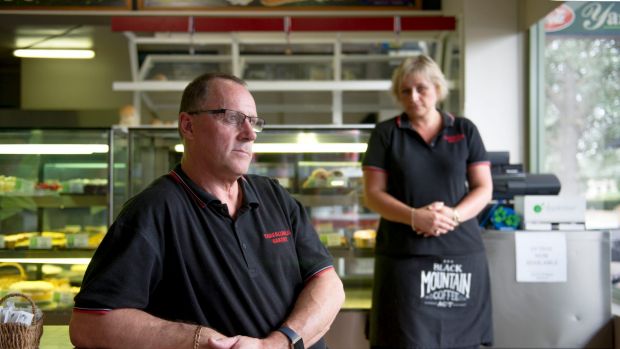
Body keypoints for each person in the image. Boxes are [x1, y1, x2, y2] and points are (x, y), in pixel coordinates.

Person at [70, 73, 345, 349]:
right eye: (232, 118)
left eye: (254, 122)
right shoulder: (153, 211)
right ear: (188, 125)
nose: (249, 134)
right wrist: (200, 340)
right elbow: (90, 323)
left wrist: (278, 343)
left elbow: (328, 285)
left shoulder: (274, 196)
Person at [362, 55, 493, 349]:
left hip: (460, 253)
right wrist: (414, 217)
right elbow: (373, 194)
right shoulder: (386, 134)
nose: (414, 97)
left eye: (421, 88)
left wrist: (454, 216)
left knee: (462, 342)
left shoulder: (465, 130)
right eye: (405, 90)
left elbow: (484, 188)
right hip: (403, 255)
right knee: (404, 340)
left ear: (437, 88)